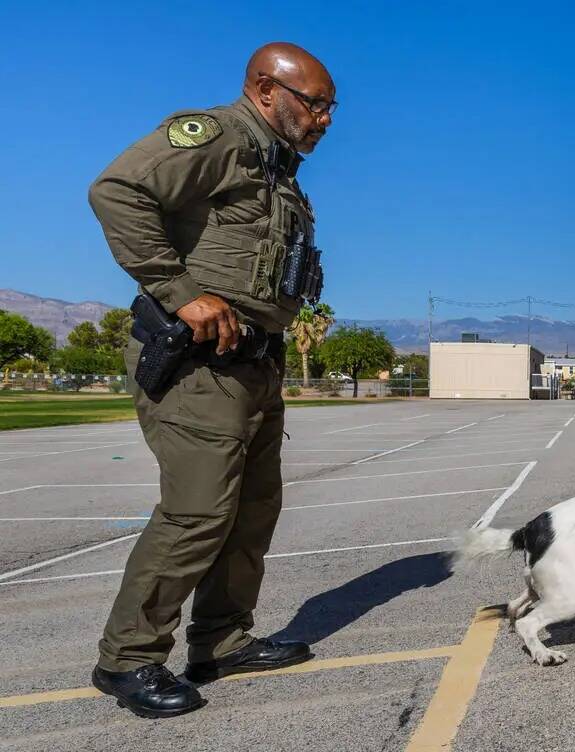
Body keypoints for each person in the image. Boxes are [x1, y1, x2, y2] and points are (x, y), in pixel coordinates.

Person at [86, 42, 336, 718]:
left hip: (254, 363)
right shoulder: (217, 135)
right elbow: (118, 190)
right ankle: (128, 659)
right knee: (197, 513)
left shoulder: (277, 169)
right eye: (314, 104)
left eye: (330, 108)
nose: (325, 119)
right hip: (198, 365)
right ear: (264, 88)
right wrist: (179, 290)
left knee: (251, 512)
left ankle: (221, 641)